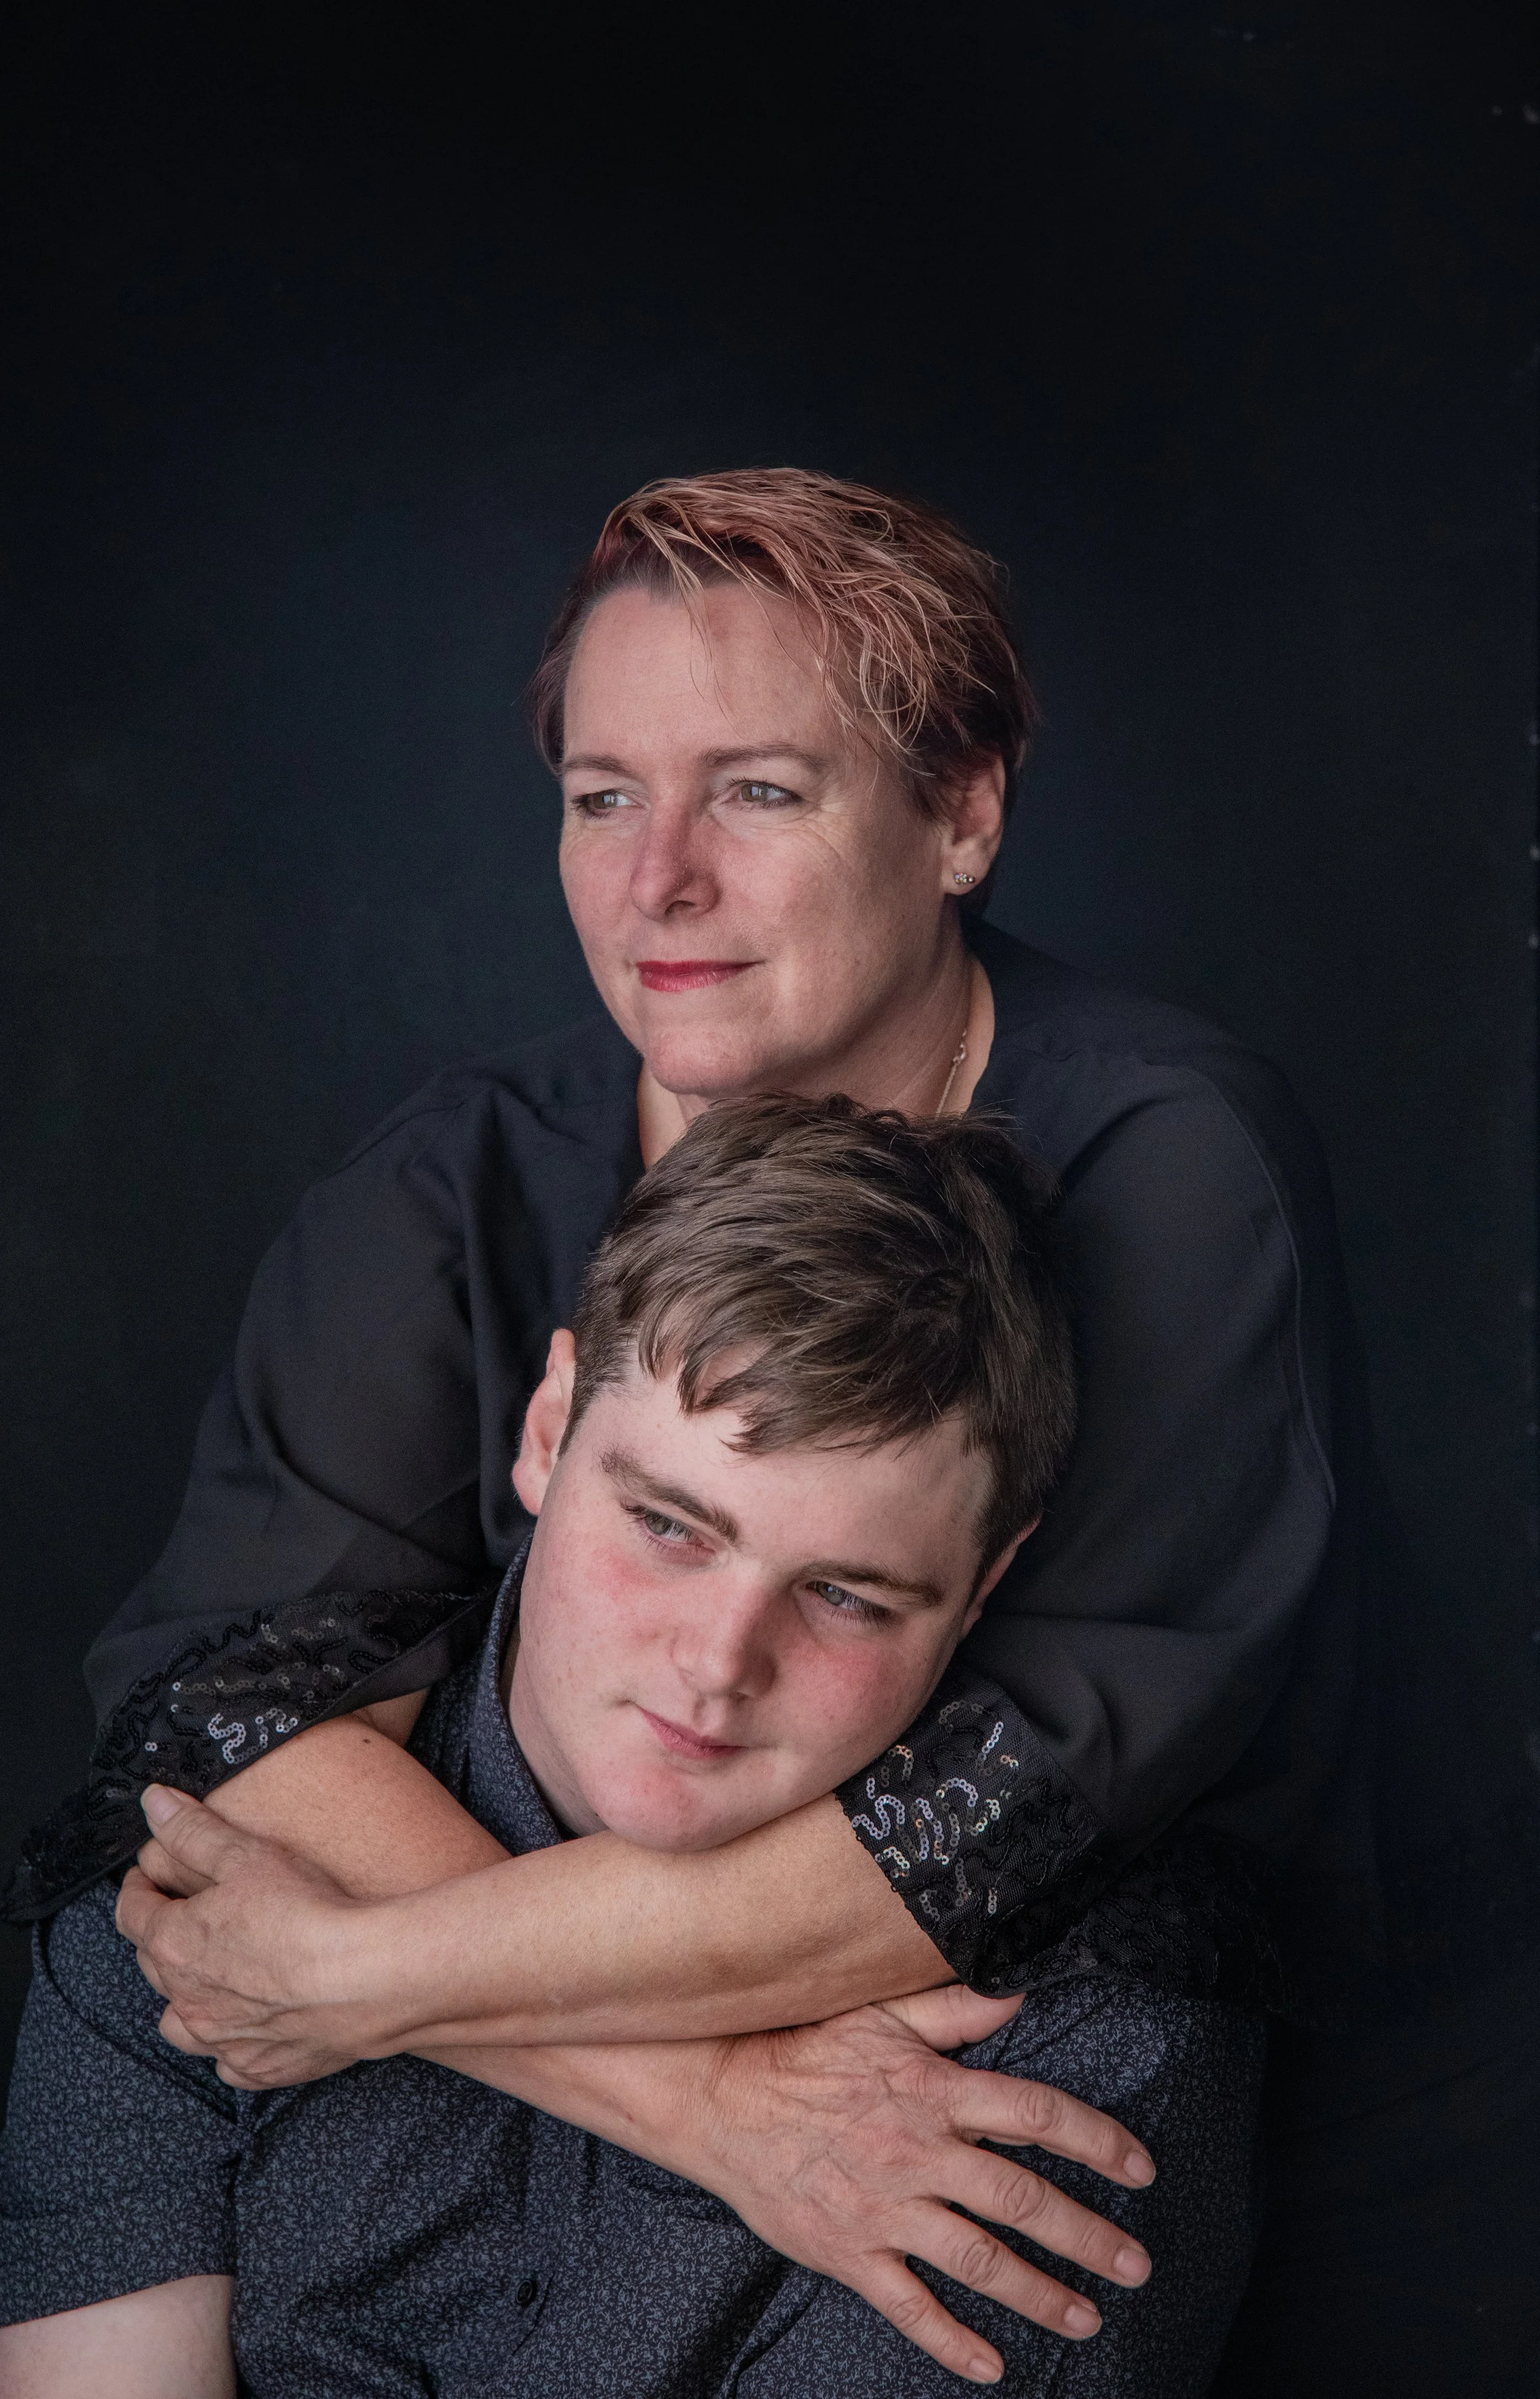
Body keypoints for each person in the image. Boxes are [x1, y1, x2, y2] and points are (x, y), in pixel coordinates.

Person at [6, 468, 1528, 2389]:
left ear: (960, 811)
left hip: (1170, 2111)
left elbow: (985, 1823)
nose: (658, 882)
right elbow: (231, 1721)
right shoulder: (441, 1193)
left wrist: (354, 1976)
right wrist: (710, 2107)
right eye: (599, 796)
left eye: (759, 788)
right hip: (662, 2132)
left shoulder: (1164, 1170)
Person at [0, 1100, 1266, 2397]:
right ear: (547, 1431)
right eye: (668, 1525)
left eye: (844, 1596)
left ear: (985, 1582)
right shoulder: (214, 1889)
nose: (718, 1663)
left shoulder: (1062, 2067)